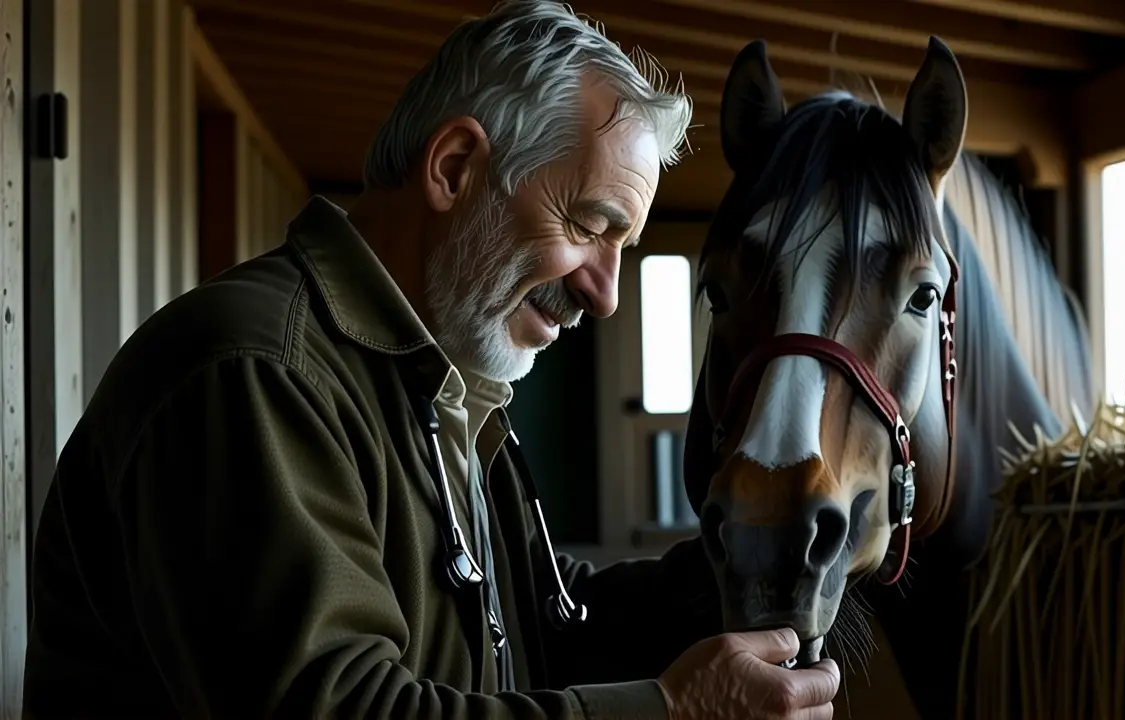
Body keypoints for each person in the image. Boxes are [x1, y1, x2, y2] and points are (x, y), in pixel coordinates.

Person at [22, 1, 840, 718]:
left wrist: (761, 549)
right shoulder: (254, 375)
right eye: (591, 226)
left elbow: (542, 627)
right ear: (455, 168)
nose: (605, 294)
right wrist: (670, 714)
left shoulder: (447, 384)